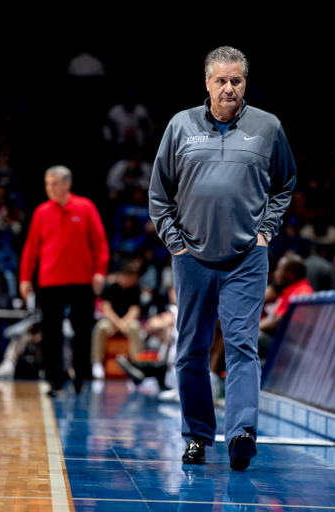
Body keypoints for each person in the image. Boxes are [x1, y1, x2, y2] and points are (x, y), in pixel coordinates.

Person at [148, 46, 296, 470]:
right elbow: (159, 194)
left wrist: (266, 232)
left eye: (236, 80)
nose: (229, 88)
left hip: (247, 259)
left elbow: (285, 183)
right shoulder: (180, 125)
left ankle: (241, 434)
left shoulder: (268, 127)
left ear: (244, 83)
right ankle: (196, 435)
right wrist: (176, 243)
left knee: (241, 347)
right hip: (191, 257)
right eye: (221, 81)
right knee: (191, 351)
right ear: (207, 83)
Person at [19, 166, 109, 395]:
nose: (49, 188)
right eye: (47, 183)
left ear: (67, 184)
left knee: (82, 333)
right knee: (51, 335)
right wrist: (25, 278)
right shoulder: (41, 211)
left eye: (54, 183)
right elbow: (31, 248)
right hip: (50, 282)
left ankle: (80, 379)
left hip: (81, 281)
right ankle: (54, 381)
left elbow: (100, 243)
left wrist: (99, 271)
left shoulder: (85, 207)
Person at [91, 260, 142, 380]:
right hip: (112, 322)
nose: (135, 280)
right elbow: (106, 309)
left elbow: (134, 311)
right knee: (101, 326)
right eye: (133, 277)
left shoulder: (135, 290)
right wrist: (118, 323)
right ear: (125, 275)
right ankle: (97, 362)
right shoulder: (110, 287)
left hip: (127, 322)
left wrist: (123, 323)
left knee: (135, 327)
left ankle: (136, 364)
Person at [258, 254, 314, 360]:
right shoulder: (290, 290)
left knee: (246, 335)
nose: (275, 274)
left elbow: (278, 322)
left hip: (292, 346)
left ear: (290, 273)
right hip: (282, 340)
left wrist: (251, 328)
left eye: (279, 269)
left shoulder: (301, 293)